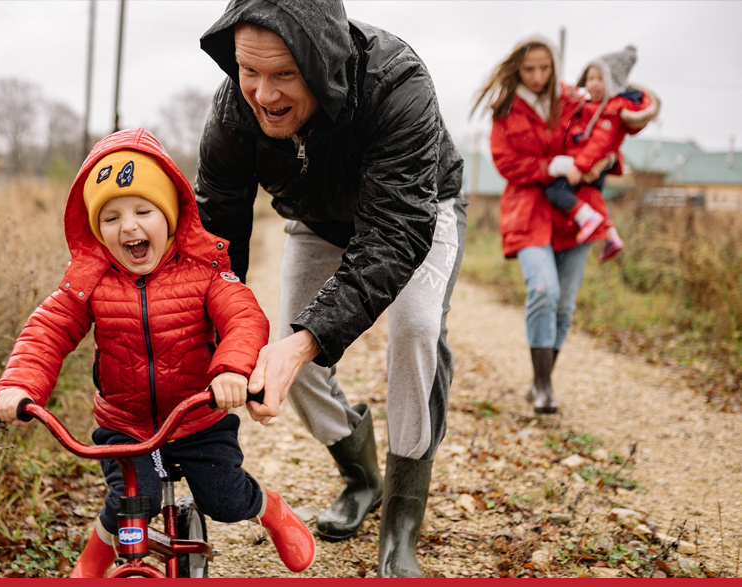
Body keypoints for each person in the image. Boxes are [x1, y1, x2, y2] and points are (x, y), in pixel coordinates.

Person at [194, 0, 467, 578]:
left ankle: (400, 526)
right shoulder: (232, 111)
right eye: (249, 71)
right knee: (291, 346)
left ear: (321, 64)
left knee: (414, 328)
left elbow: (394, 233)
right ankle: (362, 477)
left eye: (285, 74)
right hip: (318, 220)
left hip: (417, 209)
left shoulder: (398, 83)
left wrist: (304, 341)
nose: (263, 94)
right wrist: (220, 344)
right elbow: (216, 238)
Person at [0, 128, 316, 577]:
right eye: (110, 218)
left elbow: (244, 318)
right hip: (125, 423)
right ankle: (93, 561)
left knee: (224, 499)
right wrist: (18, 386)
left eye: (144, 211)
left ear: (170, 216)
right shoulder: (89, 281)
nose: (129, 227)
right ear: (95, 229)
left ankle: (270, 508)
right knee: (129, 504)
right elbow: (47, 331)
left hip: (199, 416)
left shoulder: (203, 272)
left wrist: (232, 370)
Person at [471, 36, 612, 415]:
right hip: (528, 209)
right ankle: (545, 386)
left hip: (574, 211)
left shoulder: (572, 100)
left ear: (554, 67)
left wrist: (607, 157)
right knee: (544, 289)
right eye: (529, 69)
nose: (536, 76)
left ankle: (540, 382)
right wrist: (548, 167)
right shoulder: (506, 108)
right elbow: (505, 162)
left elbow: (605, 129)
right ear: (518, 68)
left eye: (544, 68)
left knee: (564, 304)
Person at [547, 45, 660, 262]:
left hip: (587, 166)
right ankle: (611, 236)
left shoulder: (610, 111)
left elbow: (599, 144)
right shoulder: (588, 106)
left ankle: (587, 219)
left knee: (556, 192)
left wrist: (579, 167)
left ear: (612, 83)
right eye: (590, 78)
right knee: (592, 197)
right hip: (588, 164)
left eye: (600, 79)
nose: (593, 84)